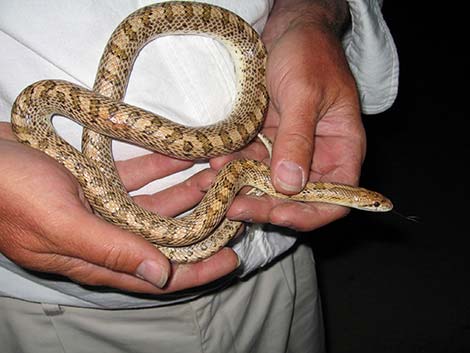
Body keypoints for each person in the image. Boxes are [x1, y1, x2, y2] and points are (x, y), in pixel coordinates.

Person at [0, 0, 398, 352]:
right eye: (375, 203)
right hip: (67, 313)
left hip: (273, 256)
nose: (378, 206)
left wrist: (307, 14)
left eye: (375, 204)